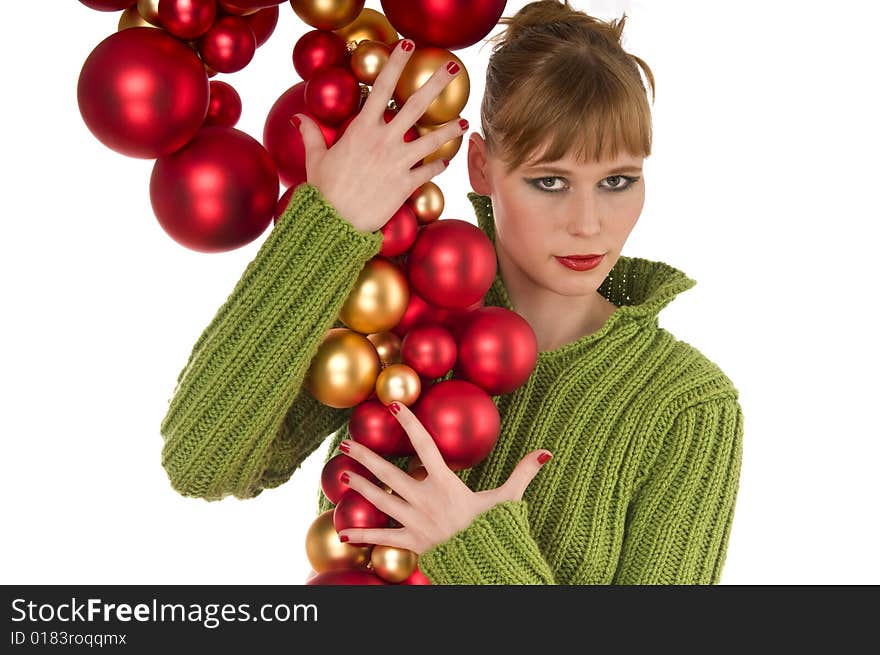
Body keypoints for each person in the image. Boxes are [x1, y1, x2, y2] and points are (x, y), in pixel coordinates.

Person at [160, 0, 744, 585]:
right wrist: (330, 224)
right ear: (482, 168)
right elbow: (202, 462)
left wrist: (471, 548)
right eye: (550, 181)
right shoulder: (401, 303)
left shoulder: (688, 408)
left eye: (618, 181)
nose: (588, 223)